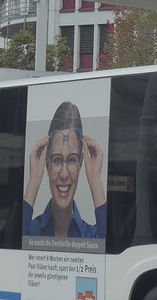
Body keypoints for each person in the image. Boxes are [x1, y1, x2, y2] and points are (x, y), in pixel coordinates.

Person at [23, 102, 106, 239]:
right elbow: (10, 246)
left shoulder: (92, 236)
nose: (64, 174)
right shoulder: (30, 231)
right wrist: (33, 181)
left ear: (80, 163)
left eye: (72, 160)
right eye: (57, 160)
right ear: (47, 164)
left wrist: (95, 179)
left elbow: (111, 252)